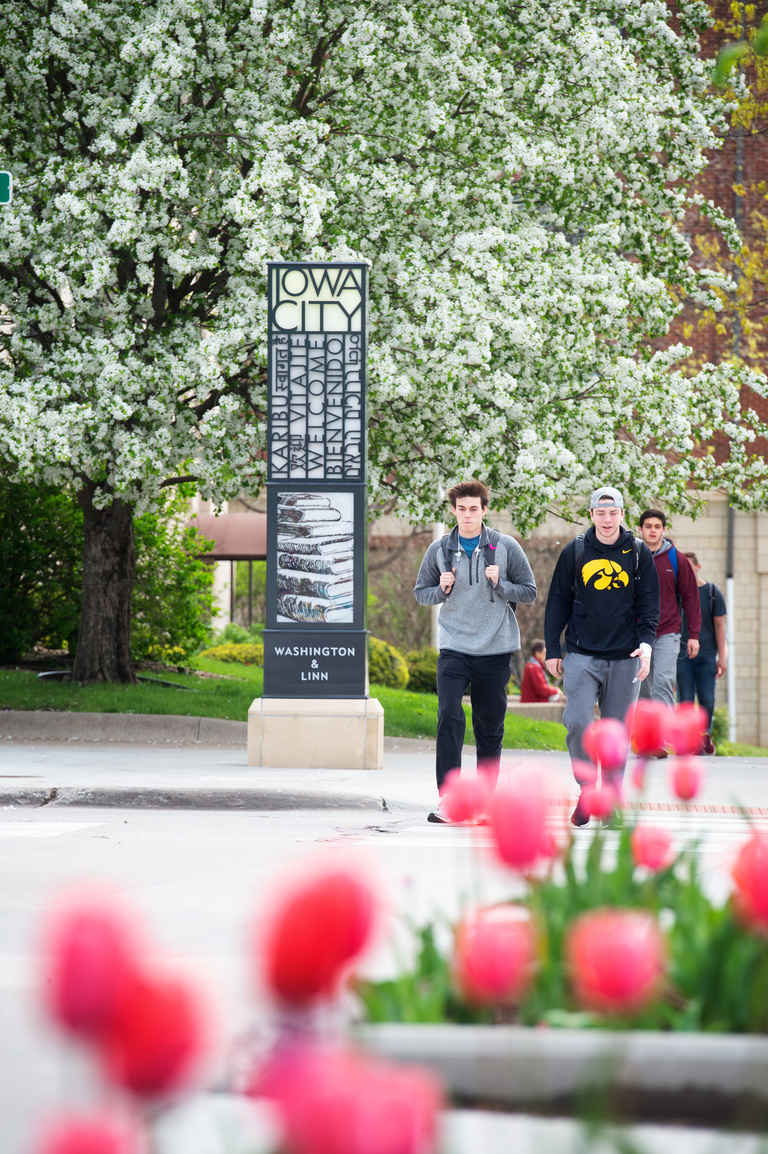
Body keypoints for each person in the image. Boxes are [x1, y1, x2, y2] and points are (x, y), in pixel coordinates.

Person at [413, 480, 537, 823]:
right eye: (461, 509)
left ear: (484, 510)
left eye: (474, 509)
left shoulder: (505, 546)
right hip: (454, 646)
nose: (467, 515)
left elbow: (528, 591)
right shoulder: (439, 549)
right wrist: (440, 589)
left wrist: (501, 584)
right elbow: (421, 593)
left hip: (496, 648)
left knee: (489, 725)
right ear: (453, 510)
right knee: (449, 715)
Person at [544, 486, 660, 826]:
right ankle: (587, 789)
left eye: (613, 513)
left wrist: (647, 645)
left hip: (626, 657)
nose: (607, 519)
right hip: (582, 653)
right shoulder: (575, 551)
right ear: (592, 515)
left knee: (616, 731)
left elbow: (650, 605)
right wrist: (554, 648)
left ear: (622, 515)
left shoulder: (639, 553)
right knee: (577, 720)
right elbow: (558, 602)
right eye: (600, 513)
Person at [637, 510, 701, 728]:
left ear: (664, 530)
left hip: (667, 631)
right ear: (640, 530)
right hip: (636, 633)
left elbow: (691, 596)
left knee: (663, 681)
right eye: (648, 526)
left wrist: (694, 635)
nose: (652, 530)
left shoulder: (677, 559)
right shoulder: (631, 556)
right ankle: (647, 735)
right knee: (641, 684)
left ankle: (662, 735)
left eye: (657, 526)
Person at [677, 551, 727, 755]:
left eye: (690, 568)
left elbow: (719, 626)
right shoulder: (676, 594)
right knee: (685, 698)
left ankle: (704, 735)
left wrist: (722, 658)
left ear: (698, 567)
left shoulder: (712, 592)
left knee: (707, 697)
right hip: (682, 655)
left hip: (707, 654)